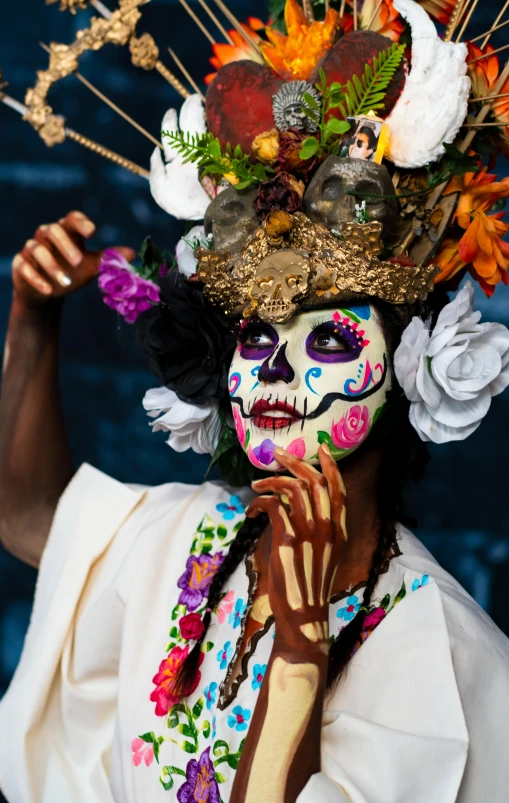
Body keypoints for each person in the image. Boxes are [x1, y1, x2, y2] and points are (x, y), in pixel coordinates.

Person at [2, 0, 509, 801]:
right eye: (258, 336)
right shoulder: (189, 535)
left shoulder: (440, 655)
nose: (277, 369)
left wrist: (303, 649)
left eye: (330, 340)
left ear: (411, 365)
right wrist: (33, 318)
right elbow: (31, 520)